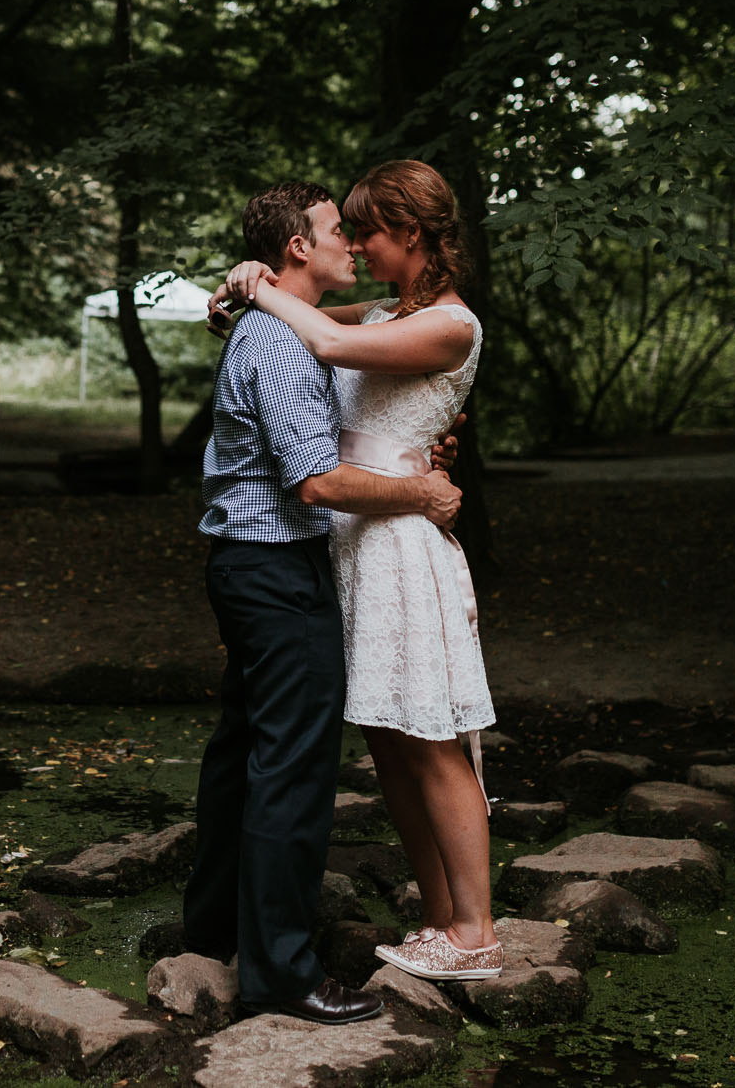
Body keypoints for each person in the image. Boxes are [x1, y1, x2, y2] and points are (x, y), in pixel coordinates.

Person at [213, 159, 502, 982]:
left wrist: (253, 285)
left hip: (401, 543)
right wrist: (253, 283)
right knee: (387, 736)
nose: (362, 243)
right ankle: (441, 914)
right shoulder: (386, 309)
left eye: (369, 228)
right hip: (350, 543)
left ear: (411, 231)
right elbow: (308, 315)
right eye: (349, 230)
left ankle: (476, 928)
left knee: (432, 735)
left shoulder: (451, 324)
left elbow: (330, 342)